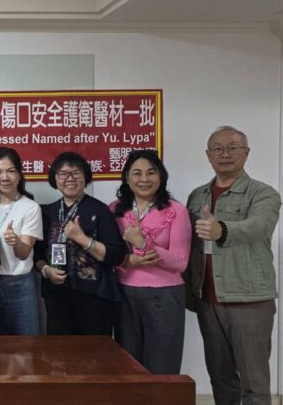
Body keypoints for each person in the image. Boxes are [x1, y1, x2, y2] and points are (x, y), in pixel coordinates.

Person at [186, 126, 281, 405]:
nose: (225, 154)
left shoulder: (263, 193)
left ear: (246, 153)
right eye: (218, 148)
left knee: (254, 382)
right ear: (208, 155)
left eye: (232, 148)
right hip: (207, 299)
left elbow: (259, 226)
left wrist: (223, 230)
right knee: (221, 377)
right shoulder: (198, 195)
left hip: (248, 298)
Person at [109, 149, 191, 374]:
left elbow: (180, 262)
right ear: (127, 178)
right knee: (128, 365)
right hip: (125, 294)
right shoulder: (114, 210)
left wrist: (145, 243)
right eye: (137, 173)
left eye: (151, 172)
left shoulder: (176, 210)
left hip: (165, 296)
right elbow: (110, 255)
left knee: (162, 364)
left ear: (161, 176)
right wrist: (128, 261)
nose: (144, 179)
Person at [33, 151, 127, 336]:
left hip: (94, 298)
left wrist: (82, 239)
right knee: (60, 352)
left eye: (76, 173)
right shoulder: (47, 212)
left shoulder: (100, 210)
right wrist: (46, 270)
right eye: (63, 174)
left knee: (93, 352)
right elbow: (36, 255)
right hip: (57, 296)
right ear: (55, 179)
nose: (70, 179)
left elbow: (117, 256)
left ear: (85, 177)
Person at [0, 147, 42, 335]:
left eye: (10, 171)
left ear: (19, 174)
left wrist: (16, 243)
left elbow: (24, 253)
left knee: (25, 346)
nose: (4, 177)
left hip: (19, 285)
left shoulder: (30, 207)